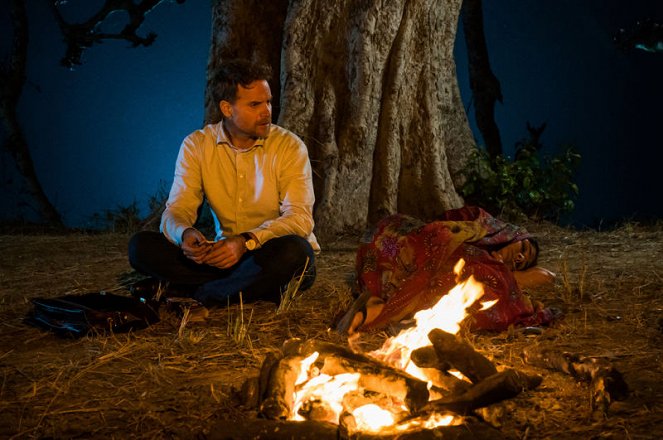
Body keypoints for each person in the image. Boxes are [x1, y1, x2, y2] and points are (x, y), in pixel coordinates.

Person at [128, 59, 318, 309]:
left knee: (296, 253)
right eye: (255, 104)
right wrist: (185, 233)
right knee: (141, 247)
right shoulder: (197, 145)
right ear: (227, 109)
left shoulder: (289, 147)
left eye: (269, 101)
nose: (267, 112)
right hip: (222, 257)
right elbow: (177, 208)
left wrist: (246, 241)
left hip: (268, 255)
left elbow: (300, 218)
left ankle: (201, 294)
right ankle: (236, 288)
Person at [336, 206, 557, 335]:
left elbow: (548, 276)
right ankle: (386, 308)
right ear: (514, 234)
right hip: (402, 239)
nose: (519, 258)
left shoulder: (493, 268)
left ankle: (384, 309)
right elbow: (439, 225)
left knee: (484, 285)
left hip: (402, 269)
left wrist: (507, 271)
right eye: (524, 248)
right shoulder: (479, 221)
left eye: (523, 261)